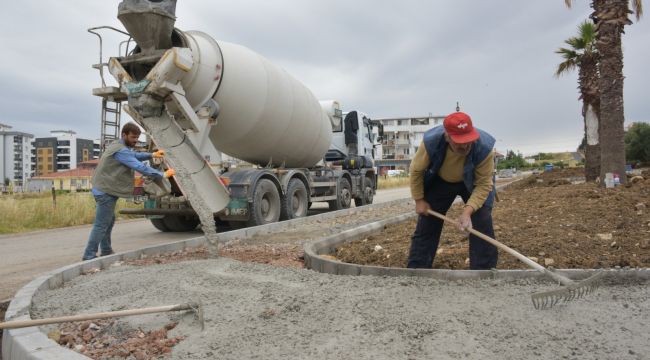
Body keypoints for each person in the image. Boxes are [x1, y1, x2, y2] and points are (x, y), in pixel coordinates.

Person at [407, 111, 497, 270]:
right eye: (459, 141)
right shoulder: (431, 143)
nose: (464, 145)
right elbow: (416, 171)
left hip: (473, 183)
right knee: (428, 221)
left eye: (467, 140)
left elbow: (483, 184)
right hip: (441, 181)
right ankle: (418, 269)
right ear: (447, 137)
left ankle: (483, 271)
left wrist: (467, 212)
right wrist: (419, 200)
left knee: (482, 219)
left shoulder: (484, 147)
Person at [82, 122, 175, 261]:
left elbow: (135, 155)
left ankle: (106, 250)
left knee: (109, 221)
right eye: (133, 137)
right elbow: (139, 167)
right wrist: (162, 175)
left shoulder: (118, 145)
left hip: (103, 188)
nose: (135, 140)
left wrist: (152, 155)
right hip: (105, 191)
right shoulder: (121, 151)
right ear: (124, 135)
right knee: (102, 224)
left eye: (137, 137)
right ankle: (89, 254)